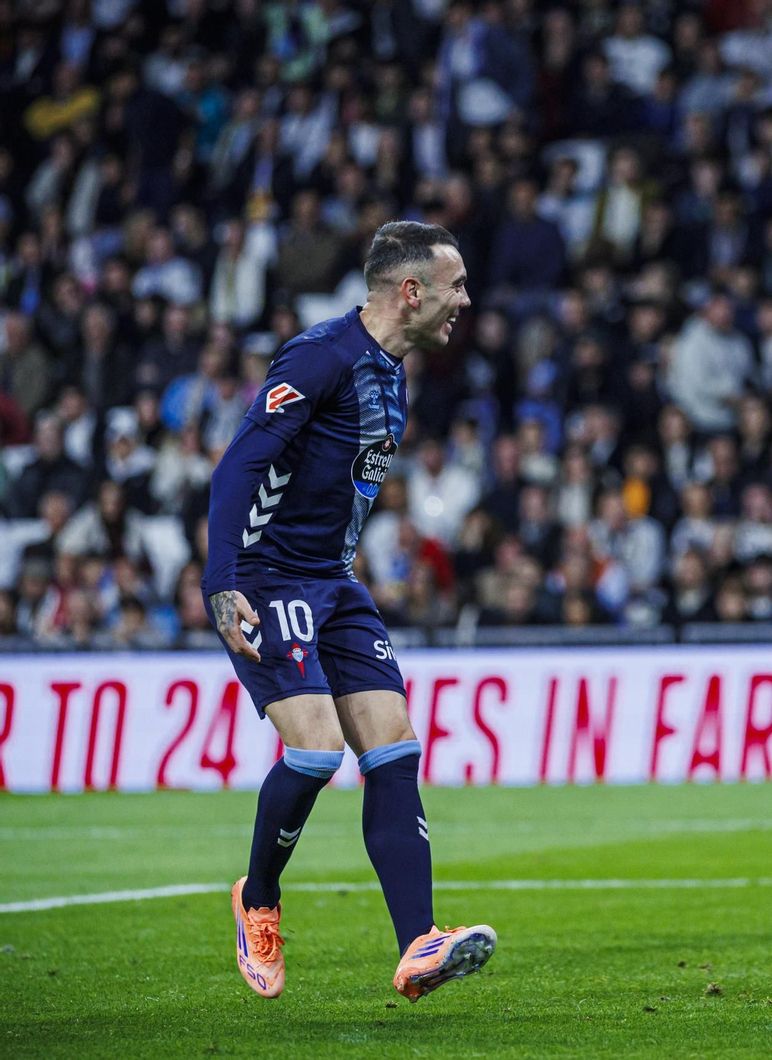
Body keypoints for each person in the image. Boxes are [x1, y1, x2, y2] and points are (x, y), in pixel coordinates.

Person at [201, 222, 496, 1001]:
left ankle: (418, 946)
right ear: (411, 291)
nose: (464, 300)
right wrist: (222, 581)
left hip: (334, 583)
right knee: (314, 753)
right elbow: (240, 464)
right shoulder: (320, 356)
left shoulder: (393, 374)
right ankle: (258, 900)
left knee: (395, 747)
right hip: (268, 580)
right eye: (455, 285)